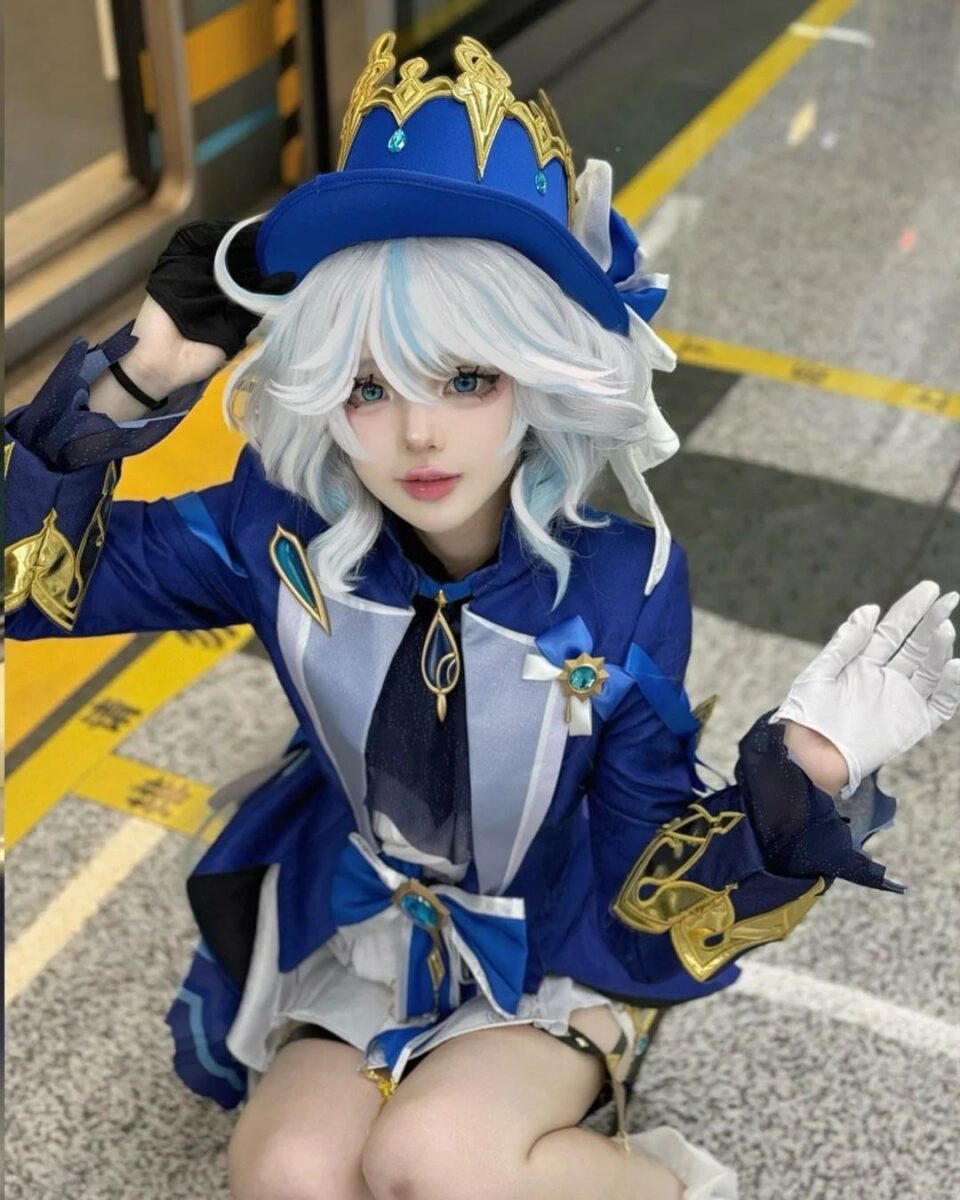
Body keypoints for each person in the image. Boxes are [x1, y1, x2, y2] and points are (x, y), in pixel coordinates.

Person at [6, 31, 958, 1200]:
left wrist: (802, 776)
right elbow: (25, 589)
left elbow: (640, 868)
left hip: (555, 940)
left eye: (468, 377)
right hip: (363, 924)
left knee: (437, 1163)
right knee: (290, 1173)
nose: (419, 433)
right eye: (369, 383)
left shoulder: (622, 582)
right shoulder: (278, 526)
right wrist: (135, 379)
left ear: (540, 376)